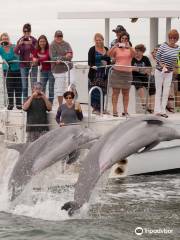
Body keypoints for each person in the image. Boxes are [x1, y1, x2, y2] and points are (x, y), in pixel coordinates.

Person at [108, 31, 135, 117]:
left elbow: (134, 55)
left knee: (126, 93)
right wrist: (114, 46)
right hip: (117, 73)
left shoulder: (130, 48)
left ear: (128, 40)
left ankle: (125, 111)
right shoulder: (116, 48)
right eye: (122, 38)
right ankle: (115, 111)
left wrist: (129, 47)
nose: (124, 40)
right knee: (115, 93)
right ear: (120, 39)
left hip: (127, 73)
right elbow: (109, 54)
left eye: (126, 38)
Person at [154, 29, 180, 118]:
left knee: (166, 92)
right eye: (171, 38)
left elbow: (175, 60)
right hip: (159, 71)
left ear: (177, 39)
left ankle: (163, 110)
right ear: (169, 38)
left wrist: (174, 66)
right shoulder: (163, 46)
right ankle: (157, 110)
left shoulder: (178, 48)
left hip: (169, 72)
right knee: (159, 91)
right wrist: (162, 65)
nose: (172, 39)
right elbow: (157, 57)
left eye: (174, 38)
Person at [88, 33, 111, 114]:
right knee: (94, 91)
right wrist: (92, 66)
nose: (98, 41)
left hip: (103, 73)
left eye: (99, 40)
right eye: (96, 40)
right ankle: (95, 108)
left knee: (102, 90)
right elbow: (89, 62)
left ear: (102, 40)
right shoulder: (92, 49)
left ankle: (101, 109)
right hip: (94, 72)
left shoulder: (106, 49)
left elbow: (109, 60)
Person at [14, 23, 38, 101]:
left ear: (30, 31)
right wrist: (19, 45)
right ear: (23, 31)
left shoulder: (34, 40)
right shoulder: (20, 40)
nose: (26, 33)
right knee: (24, 86)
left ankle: (34, 102)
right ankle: (25, 102)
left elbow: (37, 52)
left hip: (33, 65)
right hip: (23, 65)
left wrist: (31, 45)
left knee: (34, 85)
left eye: (28, 31)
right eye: (25, 31)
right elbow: (15, 52)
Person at [50, 30, 73, 106]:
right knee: (60, 89)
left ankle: (70, 104)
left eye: (60, 36)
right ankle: (60, 106)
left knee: (71, 86)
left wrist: (61, 58)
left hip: (69, 68)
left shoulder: (66, 44)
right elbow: (53, 58)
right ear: (55, 37)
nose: (59, 37)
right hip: (58, 70)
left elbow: (70, 55)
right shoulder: (52, 45)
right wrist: (64, 57)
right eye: (57, 36)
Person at [0, 33, 22, 110]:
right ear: (1, 40)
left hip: (17, 68)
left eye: (6, 39)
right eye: (3, 39)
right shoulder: (0, 48)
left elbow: (15, 56)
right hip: (7, 69)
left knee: (18, 86)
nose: (5, 40)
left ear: (8, 39)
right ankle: (11, 104)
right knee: (9, 86)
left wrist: (10, 46)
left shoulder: (13, 46)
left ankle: (19, 104)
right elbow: (9, 57)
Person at [131, 44, 154, 112]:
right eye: (136, 51)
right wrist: (141, 70)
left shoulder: (145, 58)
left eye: (138, 51)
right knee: (139, 85)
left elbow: (149, 69)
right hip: (134, 76)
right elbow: (131, 68)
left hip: (144, 76)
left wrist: (140, 70)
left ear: (142, 52)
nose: (137, 52)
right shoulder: (132, 59)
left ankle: (151, 107)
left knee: (152, 87)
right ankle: (144, 104)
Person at [33, 35, 55, 104]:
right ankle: (43, 103)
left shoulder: (49, 50)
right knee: (42, 88)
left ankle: (50, 103)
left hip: (51, 71)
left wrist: (39, 60)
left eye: (43, 41)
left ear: (46, 42)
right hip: (43, 71)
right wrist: (36, 61)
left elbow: (48, 58)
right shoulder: (36, 50)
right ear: (38, 42)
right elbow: (34, 59)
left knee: (51, 88)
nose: (42, 43)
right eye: (41, 41)